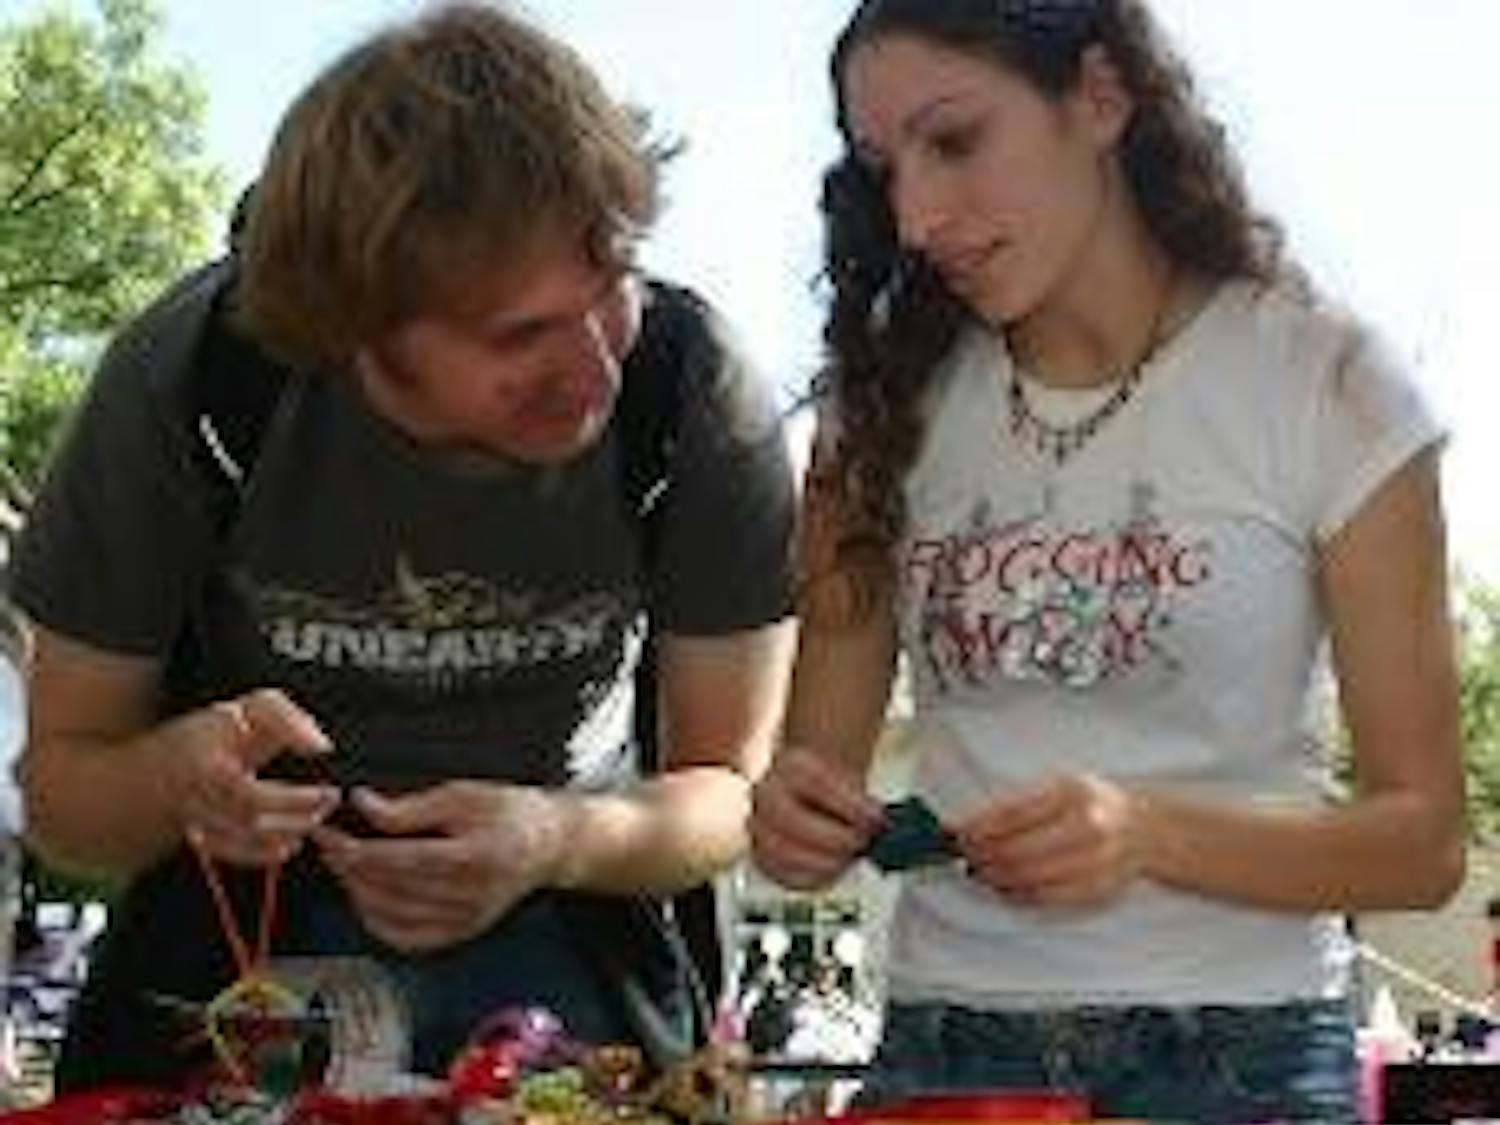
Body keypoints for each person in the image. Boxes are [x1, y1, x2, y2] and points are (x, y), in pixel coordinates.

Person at [9, 2, 796, 1090]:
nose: (596, 372)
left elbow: (729, 794)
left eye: (610, 287)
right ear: (355, 328)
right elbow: (63, 798)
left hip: (572, 930)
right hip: (241, 944)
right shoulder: (191, 387)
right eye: (518, 334)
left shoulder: (689, 389)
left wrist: (556, 839)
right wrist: (169, 782)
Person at [748, 1, 1464, 1120]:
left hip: (1246, 1054)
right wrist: (792, 823)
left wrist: (1150, 835)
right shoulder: (876, 411)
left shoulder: (1327, 384)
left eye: (956, 140)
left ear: (1100, 95)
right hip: (947, 1043)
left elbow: (1422, 845)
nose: (919, 215)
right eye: (885, 167)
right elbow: (802, 808)